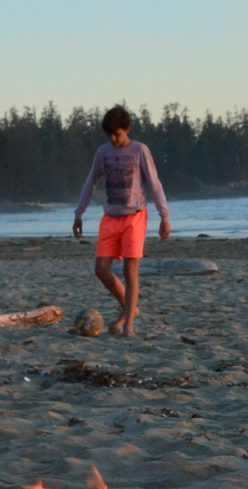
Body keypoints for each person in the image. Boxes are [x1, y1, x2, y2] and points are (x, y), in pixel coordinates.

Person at [72, 105, 169, 336]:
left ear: (128, 129)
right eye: (110, 135)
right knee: (101, 269)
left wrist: (164, 216)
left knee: (130, 270)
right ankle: (130, 308)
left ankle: (128, 325)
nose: (114, 139)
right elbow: (90, 182)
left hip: (134, 218)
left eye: (118, 134)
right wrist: (79, 213)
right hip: (110, 218)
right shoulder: (103, 152)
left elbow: (154, 184)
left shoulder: (140, 151)